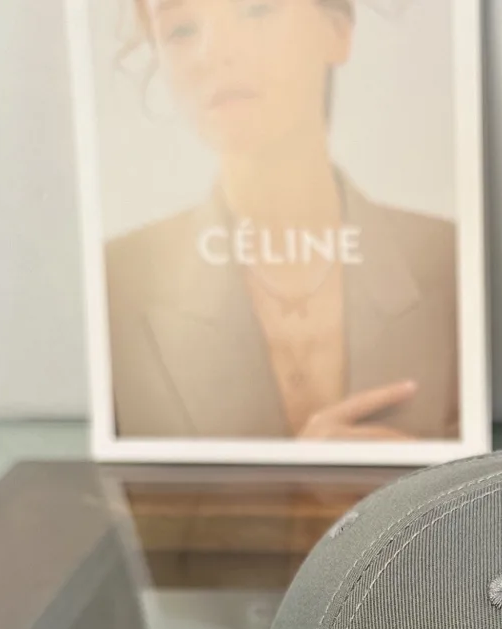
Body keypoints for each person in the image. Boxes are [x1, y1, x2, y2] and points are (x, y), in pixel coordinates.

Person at [107, 0, 460, 442]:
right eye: (181, 30)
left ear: (338, 31)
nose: (214, 51)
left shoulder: (451, 264)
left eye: (256, 9)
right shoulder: (115, 287)